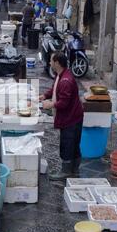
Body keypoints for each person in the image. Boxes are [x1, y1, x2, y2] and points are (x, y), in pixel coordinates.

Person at [40, 52, 84, 180]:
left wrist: (51, 104)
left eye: (51, 61)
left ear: (57, 63)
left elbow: (63, 103)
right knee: (73, 143)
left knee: (68, 144)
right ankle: (74, 170)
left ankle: (66, 171)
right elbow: (54, 89)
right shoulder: (61, 75)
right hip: (73, 116)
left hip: (71, 118)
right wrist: (45, 96)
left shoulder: (66, 81)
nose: (49, 63)